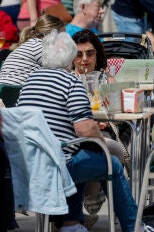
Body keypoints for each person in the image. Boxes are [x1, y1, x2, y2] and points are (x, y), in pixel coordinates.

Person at [16, 30, 139, 232]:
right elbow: (85, 129)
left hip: (30, 164)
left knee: (77, 151)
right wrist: (102, 145)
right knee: (113, 165)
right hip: (58, 166)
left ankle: (71, 223)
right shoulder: (71, 82)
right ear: (71, 57)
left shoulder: (30, 82)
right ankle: (133, 227)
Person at [71, 29, 131, 229]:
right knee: (100, 150)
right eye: (79, 54)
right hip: (75, 137)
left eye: (90, 53)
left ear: (98, 54)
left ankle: (90, 202)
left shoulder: (106, 79)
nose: (85, 59)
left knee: (107, 145)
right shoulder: (66, 79)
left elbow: (121, 113)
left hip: (104, 132)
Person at [0, 14, 64, 85]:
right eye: (62, 35)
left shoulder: (33, 44)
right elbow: (61, 71)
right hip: (14, 91)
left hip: (7, 91)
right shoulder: (40, 46)